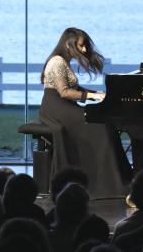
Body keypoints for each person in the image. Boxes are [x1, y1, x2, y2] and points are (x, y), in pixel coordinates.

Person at [39, 27, 131, 199]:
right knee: (99, 126)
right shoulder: (57, 61)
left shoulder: (63, 61)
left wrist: (96, 95)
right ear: (68, 44)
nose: (84, 50)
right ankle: (107, 184)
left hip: (63, 106)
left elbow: (74, 88)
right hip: (55, 107)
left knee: (105, 124)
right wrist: (91, 95)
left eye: (85, 46)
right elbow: (64, 92)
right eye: (81, 46)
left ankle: (117, 179)